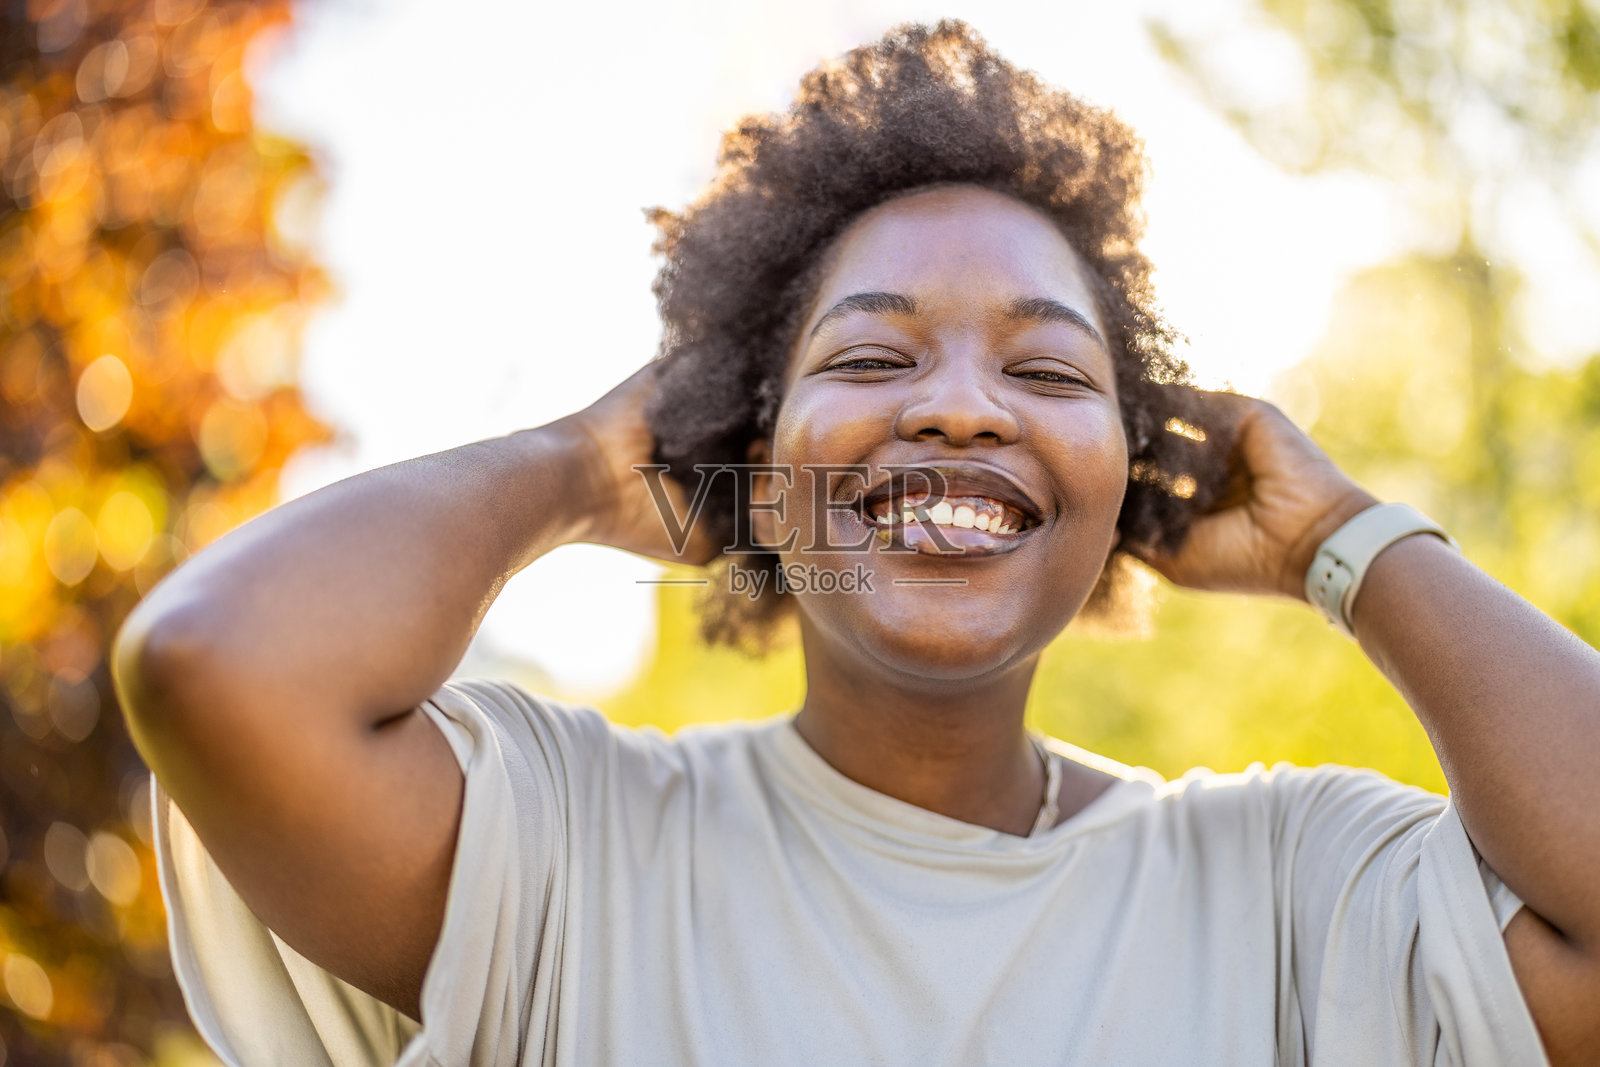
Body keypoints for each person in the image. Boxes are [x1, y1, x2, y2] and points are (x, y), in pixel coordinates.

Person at [114, 20, 1599, 1067]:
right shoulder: (564, 853)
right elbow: (215, 664)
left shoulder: (1290, 890)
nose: (959, 411)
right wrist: (580, 465)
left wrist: (1345, 539)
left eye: (1049, 373)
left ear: (1132, 482)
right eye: (874, 361)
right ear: (750, 461)